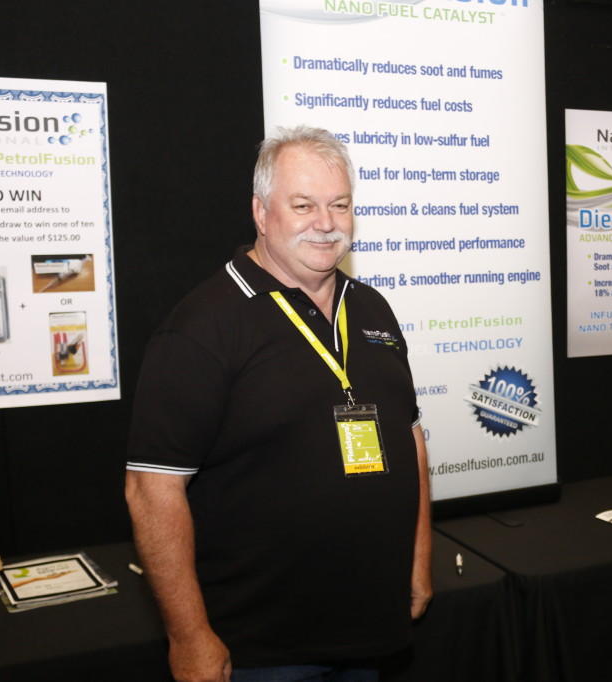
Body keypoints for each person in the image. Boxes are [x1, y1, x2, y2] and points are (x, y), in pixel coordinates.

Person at [125, 126, 432, 682]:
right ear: (261, 213)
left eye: (340, 204)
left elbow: (409, 437)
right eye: (303, 205)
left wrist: (417, 557)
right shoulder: (201, 328)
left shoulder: (373, 310)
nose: (326, 222)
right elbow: (151, 487)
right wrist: (189, 635)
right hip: (261, 649)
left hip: (368, 629)